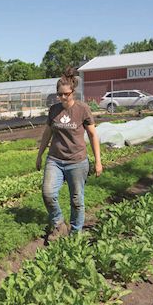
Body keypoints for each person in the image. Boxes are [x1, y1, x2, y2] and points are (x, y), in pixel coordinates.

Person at [36, 67, 102, 242]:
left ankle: (75, 232)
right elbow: (47, 134)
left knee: (76, 200)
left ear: (73, 92)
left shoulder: (83, 109)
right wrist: (39, 154)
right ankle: (59, 224)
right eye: (60, 94)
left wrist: (98, 161)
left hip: (77, 161)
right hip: (55, 160)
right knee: (48, 193)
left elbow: (93, 135)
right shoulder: (54, 110)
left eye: (66, 94)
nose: (63, 98)